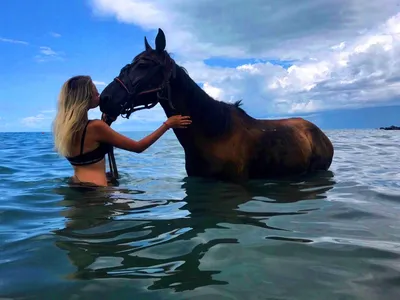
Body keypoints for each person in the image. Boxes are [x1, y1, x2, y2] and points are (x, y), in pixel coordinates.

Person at [52, 75, 192, 187]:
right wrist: (167, 124)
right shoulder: (96, 127)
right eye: (95, 91)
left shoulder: (62, 129)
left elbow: (87, 156)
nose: (99, 94)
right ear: (85, 96)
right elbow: (138, 147)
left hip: (76, 186)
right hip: (98, 193)